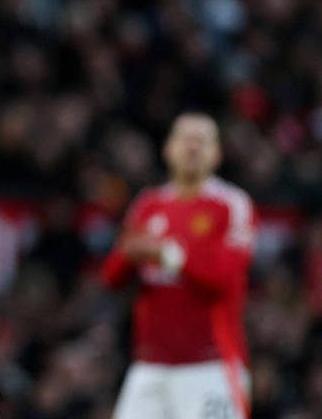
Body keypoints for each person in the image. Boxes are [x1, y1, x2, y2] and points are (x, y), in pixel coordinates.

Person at [102, 113, 256, 419]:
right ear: (168, 149)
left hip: (211, 366)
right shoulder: (148, 205)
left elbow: (224, 280)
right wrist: (128, 254)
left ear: (217, 154)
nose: (193, 147)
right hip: (149, 366)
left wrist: (167, 255)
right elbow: (111, 278)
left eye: (203, 140)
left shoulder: (231, 205)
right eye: (186, 138)